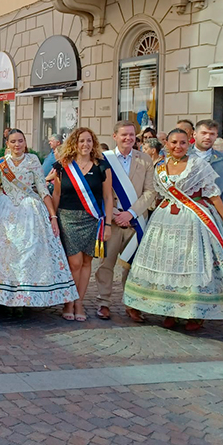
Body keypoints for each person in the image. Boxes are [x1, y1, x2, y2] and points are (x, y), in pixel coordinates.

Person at [123, 129, 223, 329]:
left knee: (192, 264)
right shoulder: (159, 166)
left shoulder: (198, 165)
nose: (178, 146)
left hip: (194, 219)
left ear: (189, 143)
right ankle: (168, 310)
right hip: (165, 219)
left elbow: (213, 194)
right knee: (166, 263)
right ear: (166, 143)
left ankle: (194, 313)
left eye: (182, 143)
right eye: (174, 142)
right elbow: (157, 194)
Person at [0, 129, 77, 309]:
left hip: (30, 209)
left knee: (28, 253)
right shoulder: (0, 163)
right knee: (3, 255)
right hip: (3, 211)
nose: (17, 144)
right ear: (8, 144)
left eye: (20, 141)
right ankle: (4, 300)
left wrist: (52, 216)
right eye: (13, 141)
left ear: (25, 143)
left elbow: (43, 189)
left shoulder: (33, 160)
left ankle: (23, 301)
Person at [94, 121, 157, 322]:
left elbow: (151, 191)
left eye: (131, 135)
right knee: (106, 264)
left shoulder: (145, 159)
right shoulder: (103, 159)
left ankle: (132, 304)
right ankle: (103, 303)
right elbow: (97, 191)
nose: (128, 138)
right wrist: (113, 214)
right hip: (112, 220)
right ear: (115, 137)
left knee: (133, 265)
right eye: (124, 135)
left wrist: (130, 213)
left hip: (136, 221)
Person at [52, 127, 114, 322]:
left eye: (89, 141)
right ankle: (68, 301)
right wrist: (52, 218)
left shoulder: (102, 167)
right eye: (81, 141)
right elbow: (56, 194)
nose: (85, 145)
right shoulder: (62, 166)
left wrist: (109, 224)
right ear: (74, 144)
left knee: (87, 262)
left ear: (93, 143)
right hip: (67, 218)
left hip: (92, 219)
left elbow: (107, 197)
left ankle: (78, 302)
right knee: (74, 263)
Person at [191, 119, 223, 212]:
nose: (208, 137)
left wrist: (220, 208)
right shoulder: (184, 156)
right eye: (204, 133)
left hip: (213, 212)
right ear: (195, 134)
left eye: (212, 134)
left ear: (216, 136)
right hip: (187, 210)